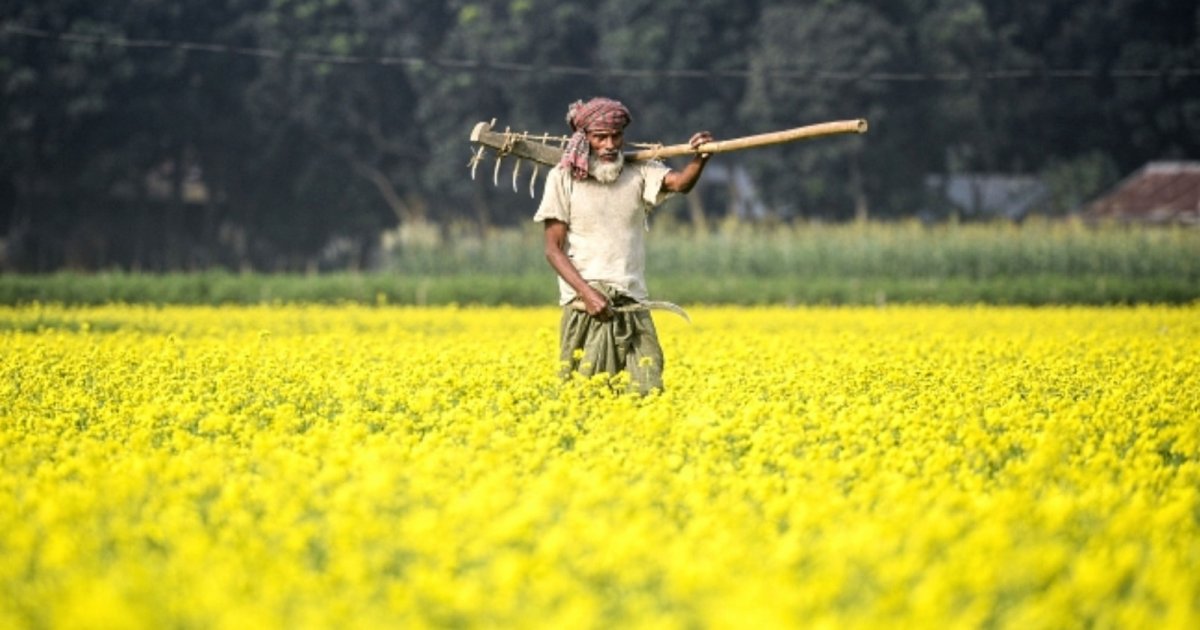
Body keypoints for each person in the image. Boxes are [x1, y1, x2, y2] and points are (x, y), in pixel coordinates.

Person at [533, 97, 713, 394]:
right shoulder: (562, 178)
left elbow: (680, 183)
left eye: (616, 136)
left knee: (647, 389)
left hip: (632, 301)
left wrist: (701, 157)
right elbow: (553, 249)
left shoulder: (639, 172)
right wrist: (588, 294)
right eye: (600, 137)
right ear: (584, 139)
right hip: (586, 307)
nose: (609, 145)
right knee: (587, 393)